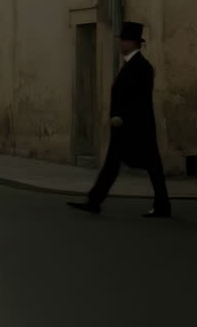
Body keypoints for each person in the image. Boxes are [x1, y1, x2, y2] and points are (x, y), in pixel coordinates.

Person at [67, 22, 172, 218]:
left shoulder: (142, 67)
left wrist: (122, 116)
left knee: (152, 166)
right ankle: (94, 201)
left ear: (132, 43)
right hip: (125, 127)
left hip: (137, 127)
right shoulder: (129, 65)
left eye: (123, 40)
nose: (120, 43)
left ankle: (162, 205)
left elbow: (141, 98)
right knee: (113, 165)